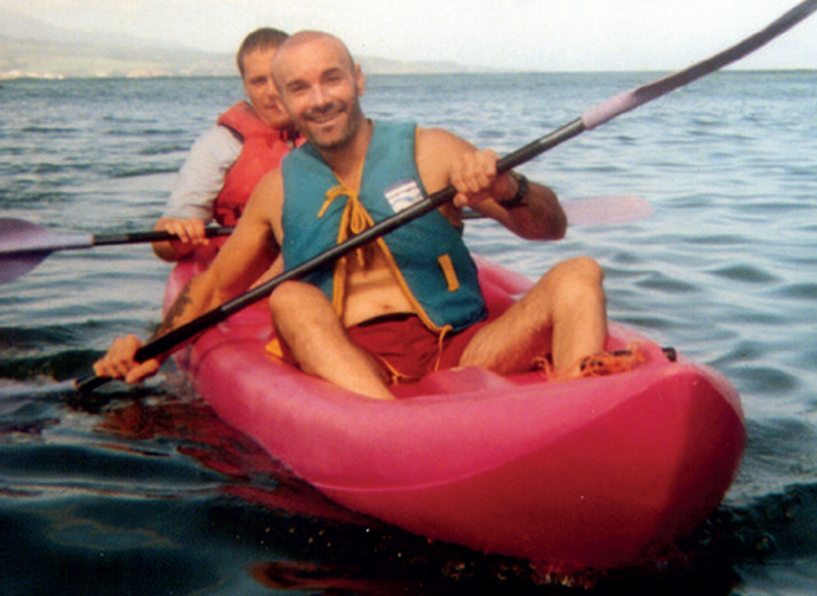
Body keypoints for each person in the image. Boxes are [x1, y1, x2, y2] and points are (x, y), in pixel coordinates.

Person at [94, 31, 617, 400]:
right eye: (300, 88)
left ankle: (583, 414)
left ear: (358, 80)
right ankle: (391, 434)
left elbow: (550, 228)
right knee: (290, 298)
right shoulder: (277, 192)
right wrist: (150, 348)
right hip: (356, 362)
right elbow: (212, 290)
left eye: (332, 79)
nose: (320, 99)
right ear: (283, 102)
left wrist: (510, 187)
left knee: (580, 273)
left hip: (463, 346)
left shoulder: (432, 151)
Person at [152, 27, 299, 262]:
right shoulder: (220, 144)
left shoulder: (327, 133)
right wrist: (178, 233)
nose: (271, 91)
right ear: (245, 86)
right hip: (246, 268)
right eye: (258, 81)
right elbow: (163, 246)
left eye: (279, 77)